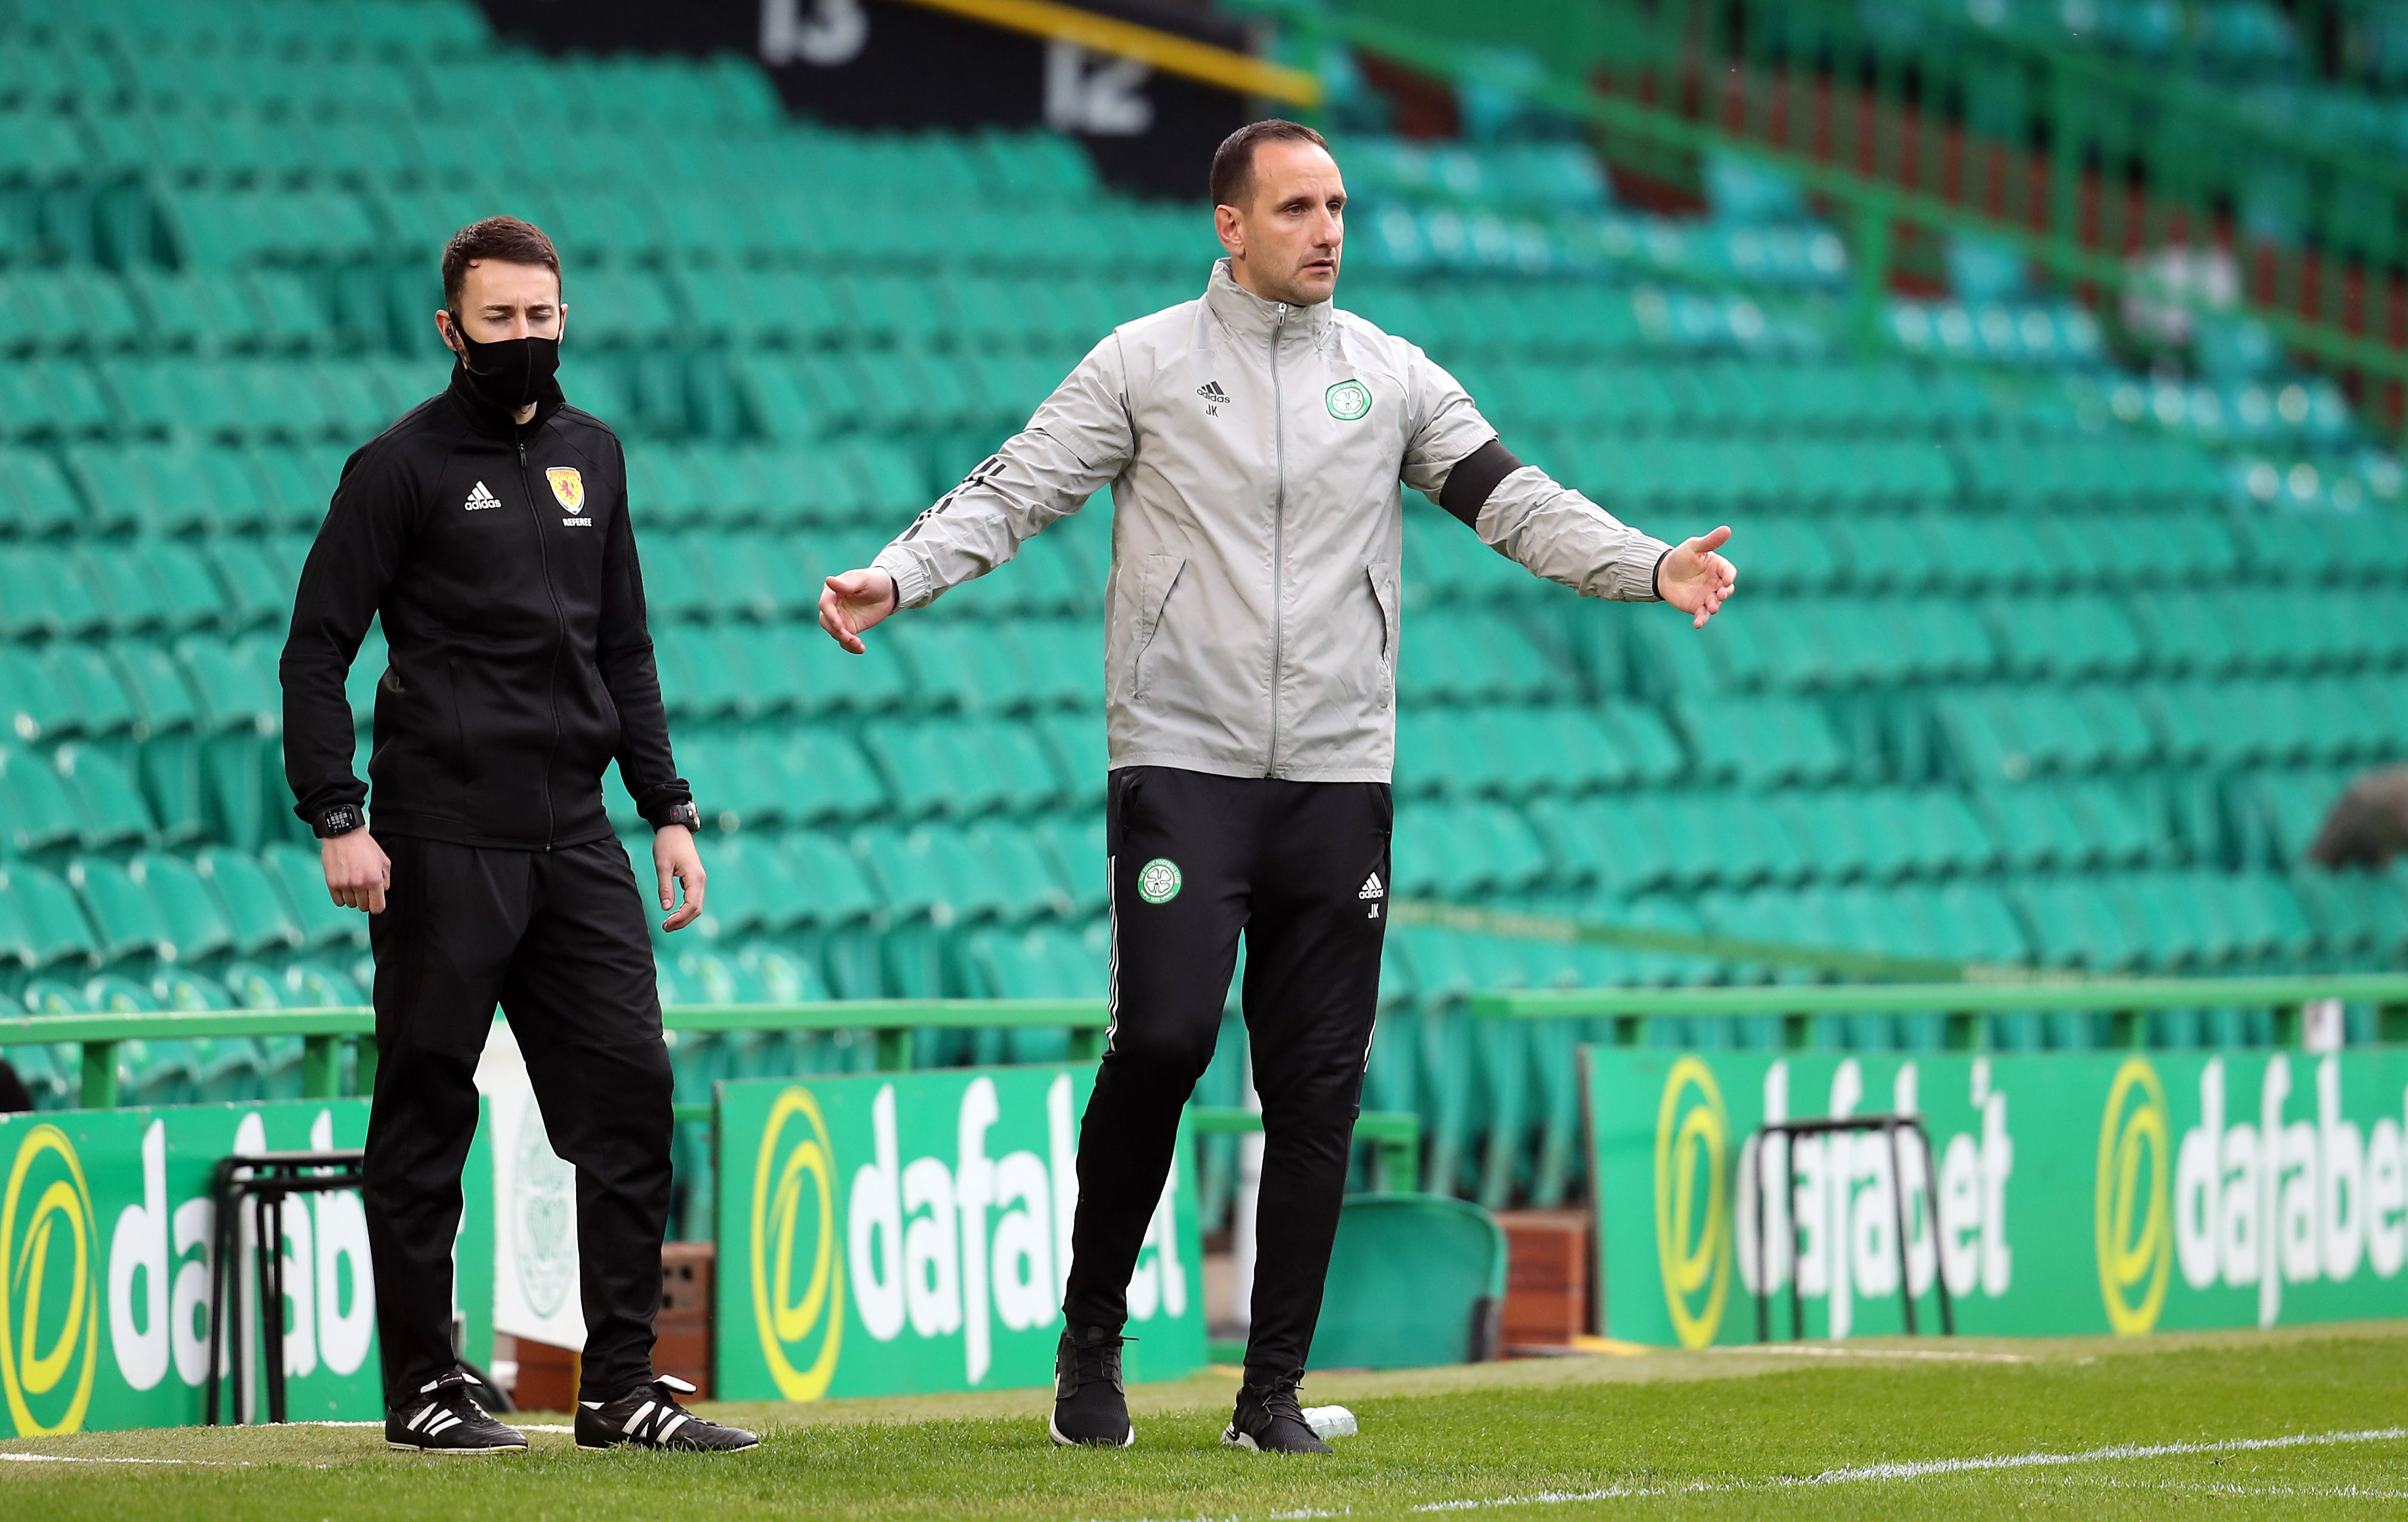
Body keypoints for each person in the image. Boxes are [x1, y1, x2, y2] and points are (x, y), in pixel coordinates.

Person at [818, 121, 1737, 1453]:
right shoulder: (1141, 364)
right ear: (1229, 227)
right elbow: (1014, 490)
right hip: (1181, 763)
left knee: (1316, 1089)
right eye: (1298, 208)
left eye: (1340, 207)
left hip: (1336, 775)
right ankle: (1092, 1336)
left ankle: (1271, 1397)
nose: (1327, 231)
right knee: (1166, 1042)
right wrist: (895, 576)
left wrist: (1647, 565)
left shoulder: (1393, 374)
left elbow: (1513, 499)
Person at [280, 216, 756, 1455]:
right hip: (442, 841)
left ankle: (622, 1388)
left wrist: (666, 809)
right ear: (451, 329)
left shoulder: (595, 455)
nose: (527, 339)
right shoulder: (398, 468)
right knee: (429, 1109)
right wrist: (338, 814)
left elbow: (626, 648)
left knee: (632, 1098)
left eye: (543, 317)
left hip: (578, 839)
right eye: (501, 320)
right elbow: (316, 651)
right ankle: (426, 1385)